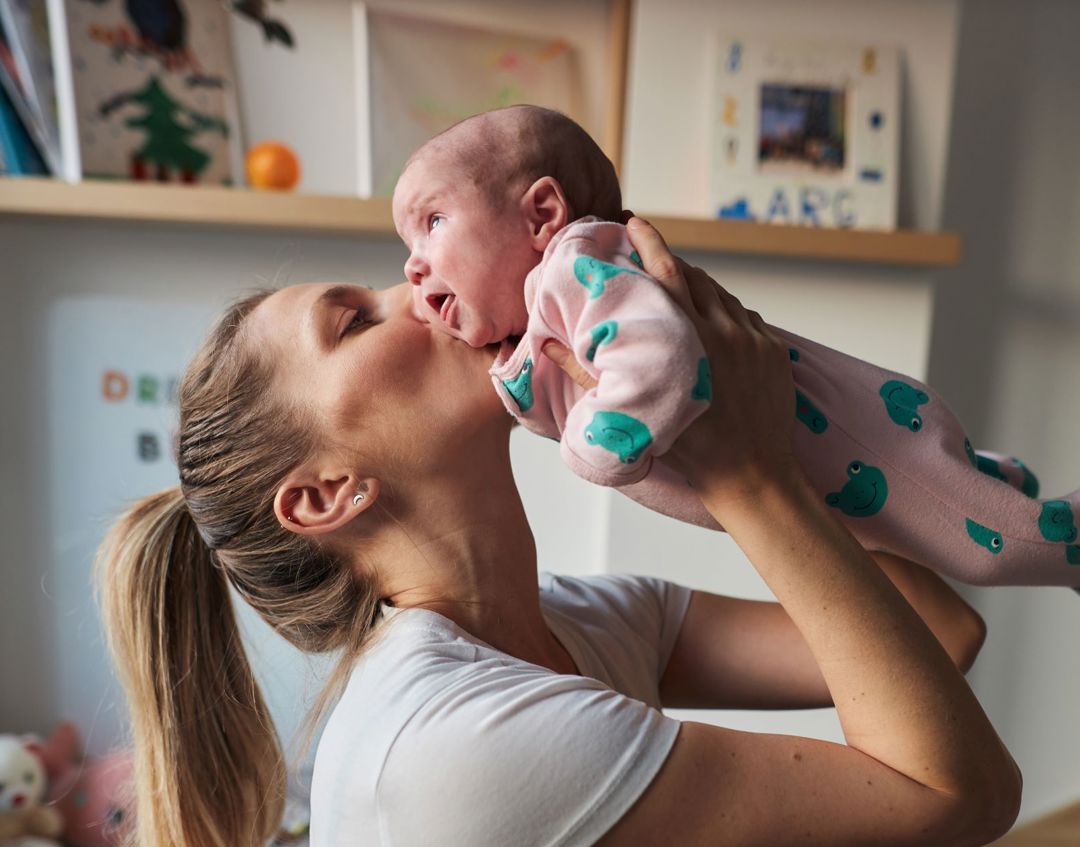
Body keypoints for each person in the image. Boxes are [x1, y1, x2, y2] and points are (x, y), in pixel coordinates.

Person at [96, 218, 1020, 847]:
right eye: (355, 320)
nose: (416, 281)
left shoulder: (577, 624)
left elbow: (940, 632)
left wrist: (727, 431)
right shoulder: (445, 746)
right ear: (328, 493)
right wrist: (751, 476)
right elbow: (955, 794)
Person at [393, 105, 1080, 588]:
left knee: (990, 552)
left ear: (543, 216)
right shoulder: (548, 306)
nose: (413, 265)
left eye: (433, 223)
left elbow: (657, 360)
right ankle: (988, 475)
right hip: (839, 467)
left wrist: (588, 448)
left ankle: (1065, 539)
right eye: (408, 245)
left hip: (855, 443)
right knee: (922, 522)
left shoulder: (577, 267)